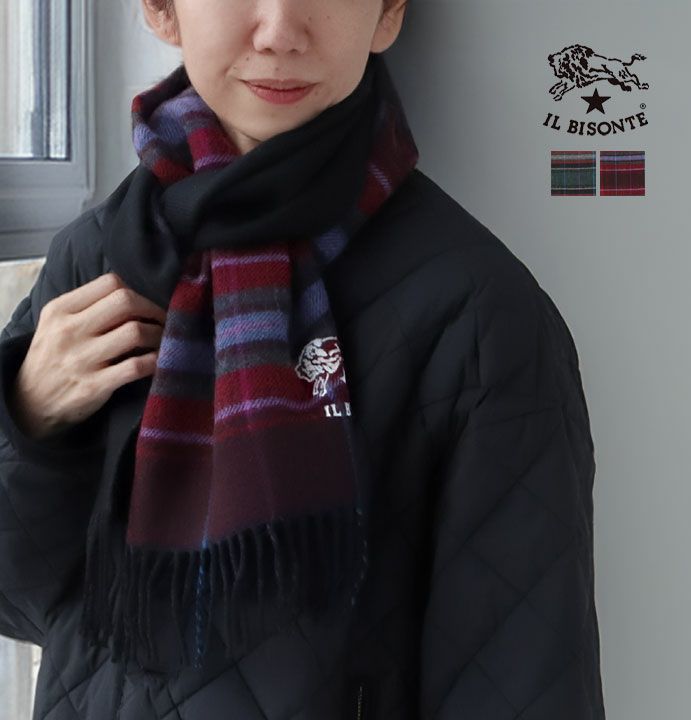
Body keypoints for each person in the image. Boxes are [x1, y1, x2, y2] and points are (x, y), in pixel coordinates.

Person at [0, 0, 606, 718]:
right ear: (162, 10)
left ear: (388, 13)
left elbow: (519, 680)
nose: (281, 31)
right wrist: (27, 415)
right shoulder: (96, 258)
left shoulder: (476, 313)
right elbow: (21, 602)